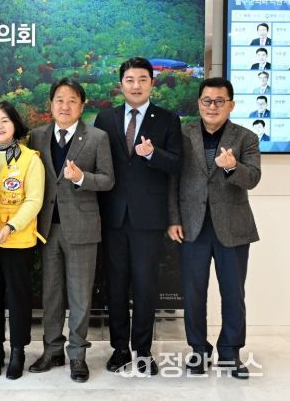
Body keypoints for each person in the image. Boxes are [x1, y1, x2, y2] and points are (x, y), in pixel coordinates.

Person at [167, 77, 261, 379]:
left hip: (233, 227)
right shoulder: (183, 134)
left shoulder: (246, 137)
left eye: (220, 101)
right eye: (207, 100)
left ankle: (231, 353)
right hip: (191, 226)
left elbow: (253, 178)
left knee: (233, 293)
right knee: (193, 294)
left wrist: (232, 166)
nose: (212, 106)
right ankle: (198, 350)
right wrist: (173, 218)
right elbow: (172, 180)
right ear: (199, 103)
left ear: (231, 105)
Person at [94, 57, 182, 376]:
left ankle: (143, 351)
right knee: (116, 286)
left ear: (151, 83)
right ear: (121, 84)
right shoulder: (105, 118)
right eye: (130, 80)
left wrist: (153, 154)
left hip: (149, 218)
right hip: (112, 217)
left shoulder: (168, 119)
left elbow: (177, 164)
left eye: (142, 79)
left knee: (145, 286)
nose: (136, 85)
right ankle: (119, 349)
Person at [27, 78, 115, 383]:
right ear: (51, 104)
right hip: (46, 228)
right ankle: (52, 350)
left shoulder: (97, 137)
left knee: (80, 296)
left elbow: (108, 180)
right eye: (59, 100)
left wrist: (81, 178)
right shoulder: (37, 136)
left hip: (82, 228)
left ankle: (78, 355)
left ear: (82, 105)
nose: (65, 106)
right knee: (51, 294)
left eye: (72, 101)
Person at [0, 101, 45, 380]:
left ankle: (18, 351)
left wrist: (11, 226)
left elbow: (34, 200)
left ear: (15, 125)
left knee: (18, 296)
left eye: (5, 120)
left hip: (17, 238)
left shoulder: (30, 159)